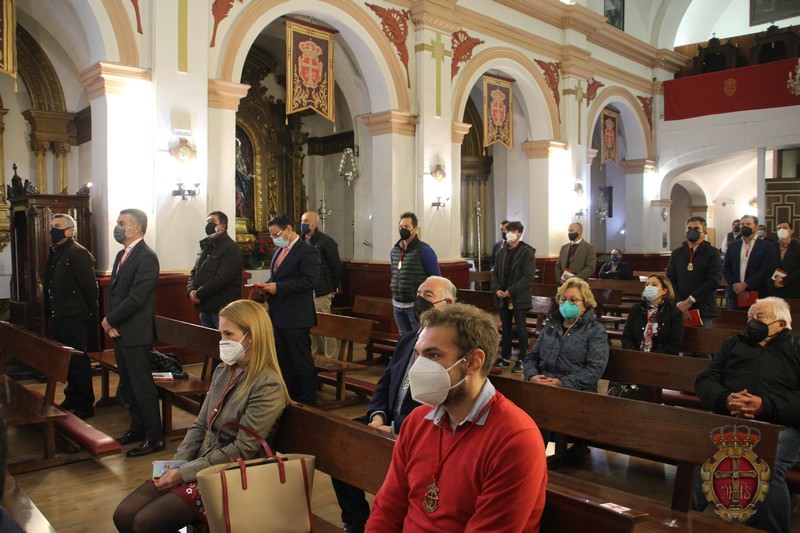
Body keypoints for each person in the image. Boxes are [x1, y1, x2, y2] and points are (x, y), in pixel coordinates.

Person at [366, 304, 547, 532]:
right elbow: (388, 508)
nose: (418, 368)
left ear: (473, 361)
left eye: (433, 355)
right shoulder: (417, 420)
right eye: (418, 355)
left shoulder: (515, 439)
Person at [113, 299, 290, 533]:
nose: (222, 341)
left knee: (143, 523)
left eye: (229, 334)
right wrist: (178, 464)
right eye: (221, 334)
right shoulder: (224, 370)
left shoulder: (267, 384)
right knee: (123, 514)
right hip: (200, 464)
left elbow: (242, 449)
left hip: (230, 475)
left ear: (252, 336)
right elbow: (200, 424)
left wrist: (184, 473)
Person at [332, 276, 457, 533]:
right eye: (418, 293)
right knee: (342, 445)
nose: (420, 300)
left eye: (428, 295)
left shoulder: (449, 350)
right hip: (385, 419)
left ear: (448, 304)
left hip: (419, 430)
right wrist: (377, 416)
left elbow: (439, 404)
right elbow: (385, 382)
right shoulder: (408, 339)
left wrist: (395, 427)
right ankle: (356, 522)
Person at [694, 297, 800, 533]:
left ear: (781, 324)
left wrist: (764, 405)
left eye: (759, 317)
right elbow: (705, 379)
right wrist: (726, 399)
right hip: (731, 421)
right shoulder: (734, 343)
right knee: (697, 455)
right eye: (749, 317)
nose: (752, 322)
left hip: (781, 427)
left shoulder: (795, 349)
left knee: (765, 465)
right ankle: (686, 520)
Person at [103, 209, 163, 457]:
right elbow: (115, 293)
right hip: (120, 330)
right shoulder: (122, 254)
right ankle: (138, 428)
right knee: (128, 385)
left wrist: (110, 319)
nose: (117, 227)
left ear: (136, 228)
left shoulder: (146, 257)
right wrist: (111, 322)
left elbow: (137, 297)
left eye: (121, 223)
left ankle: (154, 437)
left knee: (142, 387)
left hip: (136, 331)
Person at [253, 214, 320, 405]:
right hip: (278, 314)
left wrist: (279, 288)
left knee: (300, 361)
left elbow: (310, 281)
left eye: (277, 234)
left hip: (296, 316)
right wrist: (266, 286)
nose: (275, 238)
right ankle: (289, 397)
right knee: (283, 360)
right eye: (272, 235)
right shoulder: (279, 251)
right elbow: (277, 277)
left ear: (289, 229)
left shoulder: (307, 251)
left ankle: (307, 401)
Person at [44, 213, 98, 419]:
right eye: (51, 226)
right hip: (59, 314)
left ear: (70, 231)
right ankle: (72, 396)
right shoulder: (56, 251)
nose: (52, 230)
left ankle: (84, 404)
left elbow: (89, 287)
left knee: (78, 361)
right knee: (66, 360)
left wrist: (92, 313)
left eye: (57, 226)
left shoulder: (78, 253)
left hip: (74, 315)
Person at [523, 277, 609, 391]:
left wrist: (562, 383)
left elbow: (595, 369)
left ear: (585, 305)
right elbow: (532, 357)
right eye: (563, 299)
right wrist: (532, 376)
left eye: (573, 300)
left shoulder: (595, 330)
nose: (567, 304)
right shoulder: (551, 325)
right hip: (543, 385)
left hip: (575, 390)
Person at [490, 221, 536, 372]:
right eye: (507, 231)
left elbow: (528, 277)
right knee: (506, 328)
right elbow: (495, 273)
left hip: (519, 297)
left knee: (521, 328)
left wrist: (511, 290)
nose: (509, 233)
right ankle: (505, 357)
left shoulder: (527, 252)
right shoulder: (501, 252)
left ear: (519, 233)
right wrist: (497, 289)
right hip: (503, 297)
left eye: (512, 231)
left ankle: (522, 359)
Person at [187, 211, 242, 329]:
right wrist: (191, 290)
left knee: (223, 339)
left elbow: (223, 278)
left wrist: (198, 293)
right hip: (205, 306)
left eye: (212, 222)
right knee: (207, 340)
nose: (209, 225)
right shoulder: (206, 246)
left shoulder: (231, 248)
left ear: (223, 226)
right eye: (207, 222)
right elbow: (194, 272)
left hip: (222, 308)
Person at [390, 212, 441, 334]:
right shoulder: (395, 250)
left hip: (416, 305)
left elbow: (436, 279)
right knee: (404, 339)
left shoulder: (424, 250)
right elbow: (394, 273)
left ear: (415, 229)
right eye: (401, 227)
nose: (403, 230)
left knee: (418, 338)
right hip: (398, 304)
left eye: (406, 227)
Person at [666, 216, 722, 326]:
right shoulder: (677, 253)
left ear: (704, 232)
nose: (692, 231)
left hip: (703, 308)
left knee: (703, 337)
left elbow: (713, 280)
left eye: (696, 229)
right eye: (689, 228)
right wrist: (679, 302)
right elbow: (670, 279)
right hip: (679, 307)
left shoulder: (712, 253)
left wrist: (690, 301)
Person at [300, 210, 342, 357]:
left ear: (315, 223)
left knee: (325, 325)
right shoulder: (300, 241)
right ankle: (314, 355)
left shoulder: (326, 242)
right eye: (302, 221)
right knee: (310, 326)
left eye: (307, 221)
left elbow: (336, 267)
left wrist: (331, 287)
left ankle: (331, 357)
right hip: (305, 291)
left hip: (322, 290)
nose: (304, 224)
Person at [621, 274, 684, 354]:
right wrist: (634, 354)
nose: (649, 287)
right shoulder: (636, 309)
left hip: (661, 358)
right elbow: (627, 337)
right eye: (647, 285)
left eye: (654, 285)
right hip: (635, 356)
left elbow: (674, 344)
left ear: (664, 291)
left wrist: (652, 357)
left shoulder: (674, 313)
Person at [723, 215, 775, 309]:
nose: (744, 226)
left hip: (758, 292)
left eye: (748, 224)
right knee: (734, 318)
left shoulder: (766, 246)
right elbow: (726, 268)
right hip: (735, 292)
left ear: (756, 227)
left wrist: (746, 284)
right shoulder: (732, 246)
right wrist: (738, 287)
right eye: (742, 224)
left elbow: (766, 269)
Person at [772, 221, 800, 299]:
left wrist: (784, 280)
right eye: (779, 228)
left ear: (791, 231)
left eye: (784, 228)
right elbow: (767, 266)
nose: (781, 230)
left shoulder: (798, 247)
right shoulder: (771, 247)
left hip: (793, 289)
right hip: (774, 289)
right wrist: (774, 281)